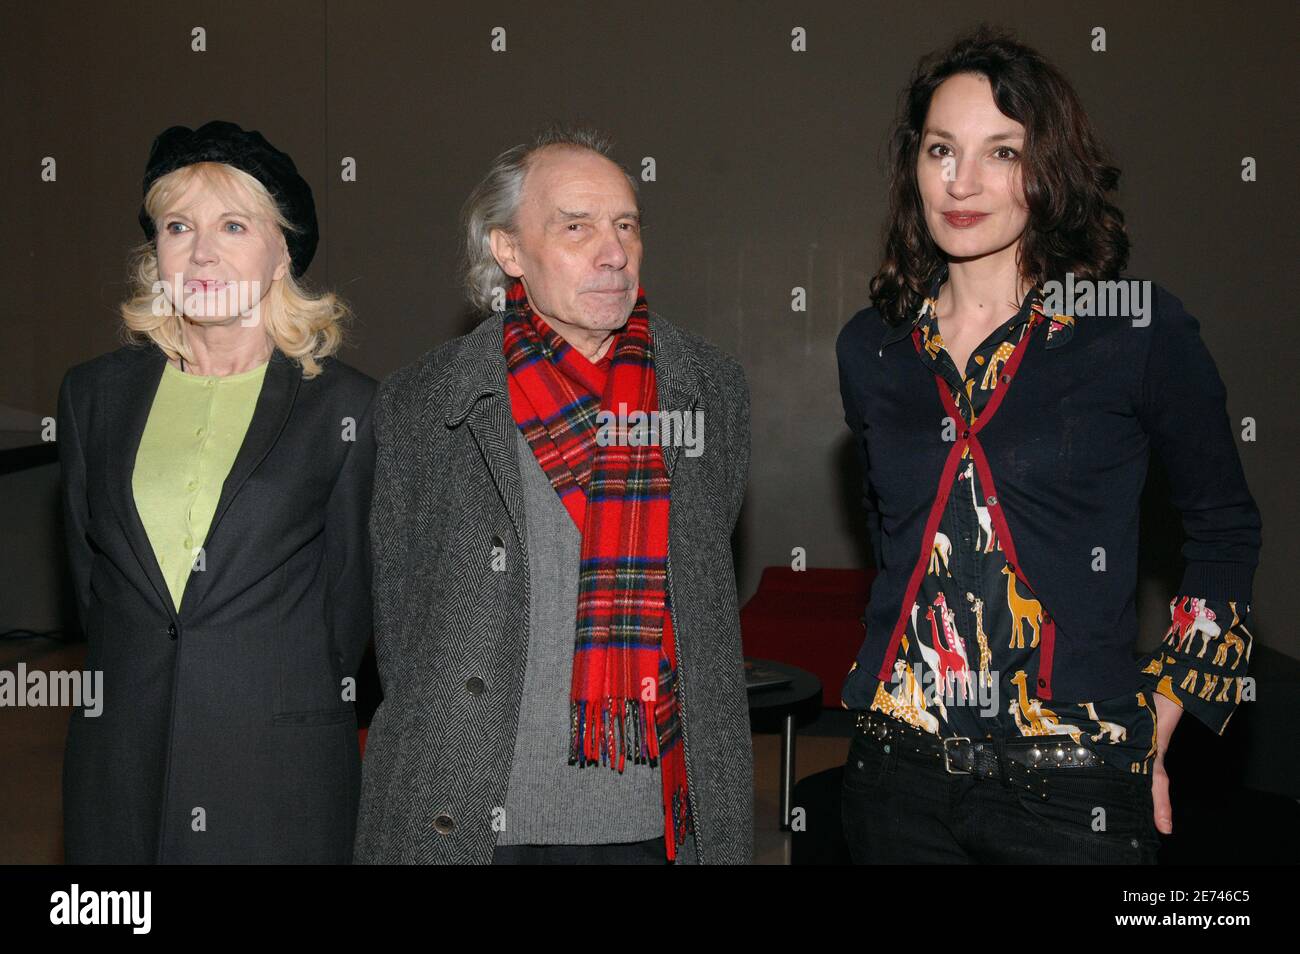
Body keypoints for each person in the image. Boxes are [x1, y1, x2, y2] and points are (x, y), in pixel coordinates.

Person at [836, 28, 1261, 864]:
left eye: (1002, 151)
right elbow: (894, 535)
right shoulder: (870, 348)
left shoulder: (1132, 328)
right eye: (940, 150)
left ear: (1049, 171)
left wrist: (1168, 709)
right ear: (913, 167)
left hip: (1074, 788)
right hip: (894, 778)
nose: (962, 181)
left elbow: (1225, 534)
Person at [353, 124, 752, 864]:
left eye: (626, 225)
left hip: (658, 815)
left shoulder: (708, 391)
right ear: (509, 251)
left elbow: (701, 579)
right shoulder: (425, 402)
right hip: (478, 811)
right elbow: (401, 621)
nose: (613, 251)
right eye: (577, 227)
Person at [57, 120, 376, 863]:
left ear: (280, 253)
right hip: (118, 773)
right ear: (155, 254)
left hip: (277, 777)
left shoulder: (348, 410)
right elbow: (93, 588)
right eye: (178, 227)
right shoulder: (91, 398)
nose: (201, 251)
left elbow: (350, 608)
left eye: (233, 225)